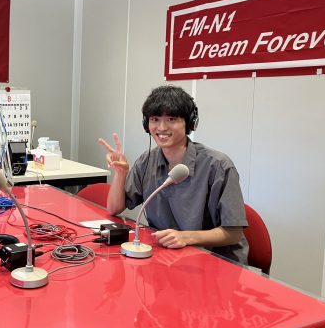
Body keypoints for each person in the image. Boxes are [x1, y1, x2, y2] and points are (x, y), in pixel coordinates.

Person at [99, 85, 248, 264]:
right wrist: (121, 173)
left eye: (171, 119)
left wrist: (186, 237)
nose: (162, 127)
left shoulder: (218, 166)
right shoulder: (147, 160)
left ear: (190, 123)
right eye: (155, 119)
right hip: (167, 256)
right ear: (146, 124)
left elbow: (234, 233)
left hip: (216, 261)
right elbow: (114, 209)